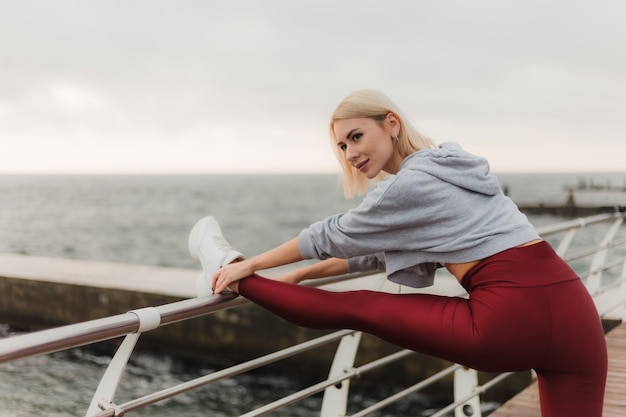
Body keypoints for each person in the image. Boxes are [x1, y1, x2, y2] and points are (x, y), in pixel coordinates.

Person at [188, 90, 607, 417]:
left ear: (391, 124)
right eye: (341, 146)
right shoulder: (448, 164)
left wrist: (253, 263)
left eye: (356, 137)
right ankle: (238, 270)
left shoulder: (407, 185)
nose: (350, 154)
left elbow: (335, 234)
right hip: (575, 316)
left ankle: (227, 266)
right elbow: (377, 255)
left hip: (509, 317)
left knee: (360, 307)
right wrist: (301, 275)